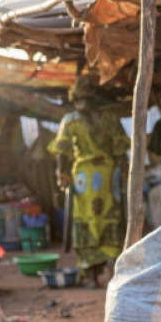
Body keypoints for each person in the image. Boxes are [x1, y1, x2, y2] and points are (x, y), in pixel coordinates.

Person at [48, 77, 130, 287]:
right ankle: (113, 271)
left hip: (85, 178)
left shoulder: (70, 120)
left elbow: (61, 150)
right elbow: (121, 151)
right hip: (108, 176)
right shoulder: (110, 118)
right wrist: (125, 173)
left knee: (86, 221)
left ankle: (92, 276)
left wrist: (60, 173)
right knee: (111, 218)